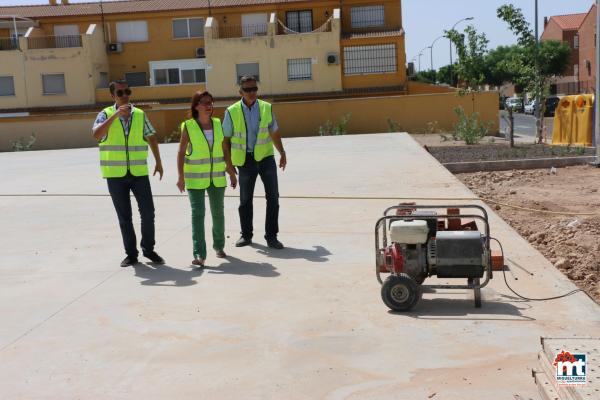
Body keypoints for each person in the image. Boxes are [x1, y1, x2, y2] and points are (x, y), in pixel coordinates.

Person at [92, 79, 165, 268]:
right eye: (120, 93)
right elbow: (97, 135)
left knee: (148, 213)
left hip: (139, 173)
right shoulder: (105, 114)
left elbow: (151, 137)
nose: (125, 96)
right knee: (125, 217)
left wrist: (158, 162)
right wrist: (115, 115)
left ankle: (148, 249)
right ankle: (131, 254)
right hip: (115, 175)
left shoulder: (140, 114)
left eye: (127, 92)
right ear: (112, 96)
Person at [222, 75, 287, 249]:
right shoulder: (231, 111)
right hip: (245, 161)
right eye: (248, 90)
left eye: (254, 89)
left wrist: (282, 152)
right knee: (245, 200)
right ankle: (246, 235)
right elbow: (225, 141)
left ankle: (272, 236)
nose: (252, 92)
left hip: (266, 159)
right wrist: (228, 166)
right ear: (240, 91)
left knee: (273, 198)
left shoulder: (266, 108)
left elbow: (274, 131)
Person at [177, 91, 237, 267]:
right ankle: (199, 254)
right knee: (198, 215)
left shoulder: (218, 124)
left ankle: (219, 246)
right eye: (204, 102)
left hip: (217, 177)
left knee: (218, 214)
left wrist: (231, 171)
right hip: (195, 178)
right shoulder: (188, 126)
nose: (208, 105)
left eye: (210, 102)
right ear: (196, 106)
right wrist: (180, 176)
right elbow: (181, 152)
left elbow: (225, 149)